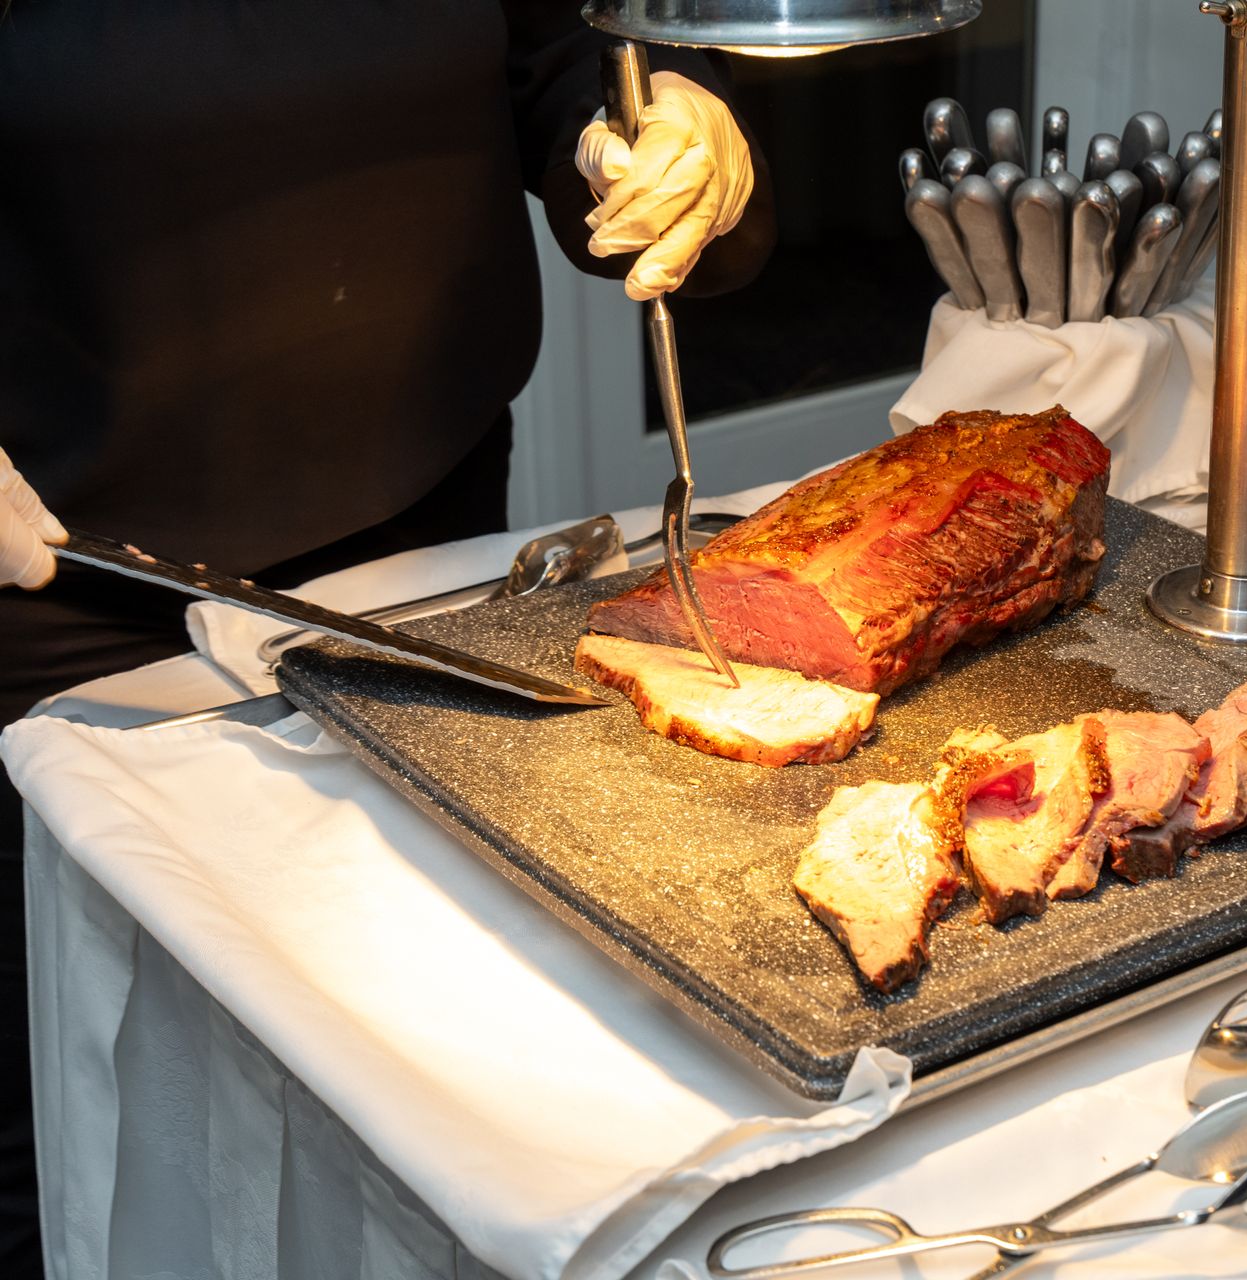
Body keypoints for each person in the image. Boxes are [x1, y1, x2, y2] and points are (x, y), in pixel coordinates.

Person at [0, 1, 775, 1267]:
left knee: (450, 1031)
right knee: (89, 1066)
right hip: (61, 572)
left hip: (427, 521)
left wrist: (662, 118)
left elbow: (567, 43)